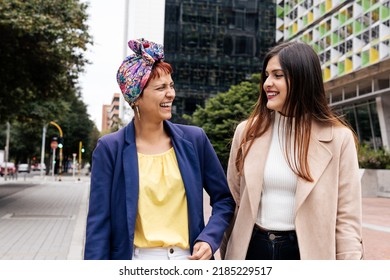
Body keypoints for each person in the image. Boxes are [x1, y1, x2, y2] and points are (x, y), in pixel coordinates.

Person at [84, 38, 235, 260]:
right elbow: (98, 225)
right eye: (161, 88)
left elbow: (224, 199)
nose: (171, 94)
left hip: (189, 261)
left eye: (171, 86)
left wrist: (209, 238)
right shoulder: (110, 149)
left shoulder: (195, 140)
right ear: (136, 98)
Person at [220, 41, 363, 260]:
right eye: (266, 75)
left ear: (302, 79)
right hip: (251, 250)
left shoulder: (338, 138)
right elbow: (233, 199)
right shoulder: (246, 132)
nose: (268, 83)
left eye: (278, 75)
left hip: (306, 254)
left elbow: (347, 218)